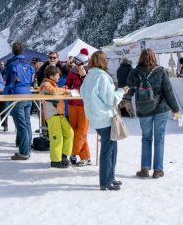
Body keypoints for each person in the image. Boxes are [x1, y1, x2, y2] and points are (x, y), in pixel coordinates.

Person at [124, 48, 180, 179]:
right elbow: (168, 91)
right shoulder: (161, 71)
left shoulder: (134, 72)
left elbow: (129, 91)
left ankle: (144, 168)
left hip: (144, 110)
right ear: (154, 57)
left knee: (146, 138)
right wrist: (175, 109)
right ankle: (158, 170)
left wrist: (124, 101)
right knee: (159, 138)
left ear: (140, 58)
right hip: (161, 109)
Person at [80, 51, 127, 191]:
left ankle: (110, 177)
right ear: (103, 61)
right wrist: (121, 92)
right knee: (108, 150)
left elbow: (83, 93)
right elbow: (110, 99)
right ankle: (106, 181)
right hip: (105, 117)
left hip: (96, 117)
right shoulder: (102, 77)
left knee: (112, 148)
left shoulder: (88, 77)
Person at [3, 41, 36, 161]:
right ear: (23, 51)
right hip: (28, 95)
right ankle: (26, 150)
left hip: (16, 96)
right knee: (27, 124)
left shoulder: (12, 65)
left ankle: (24, 152)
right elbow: (32, 80)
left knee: (21, 126)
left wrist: (5, 95)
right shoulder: (29, 65)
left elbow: (9, 83)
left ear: (12, 51)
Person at [38, 66, 74, 168]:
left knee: (69, 133)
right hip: (52, 114)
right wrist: (65, 90)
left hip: (60, 113)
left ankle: (63, 155)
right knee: (57, 137)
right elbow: (53, 91)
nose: (59, 77)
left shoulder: (54, 85)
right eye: (57, 75)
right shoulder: (46, 84)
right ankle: (55, 160)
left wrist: (64, 90)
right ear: (51, 76)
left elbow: (57, 90)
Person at [65, 52, 91, 165]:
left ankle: (74, 153)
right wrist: (66, 88)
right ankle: (86, 157)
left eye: (78, 63)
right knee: (74, 130)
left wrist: (83, 76)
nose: (76, 65)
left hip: (85, 105)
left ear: (84, 64)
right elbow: (67, 84)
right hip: (72, 103)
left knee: (82, 131)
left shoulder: (90, 72)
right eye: (75, 62)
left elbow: (91, 87)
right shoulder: (72, 72)